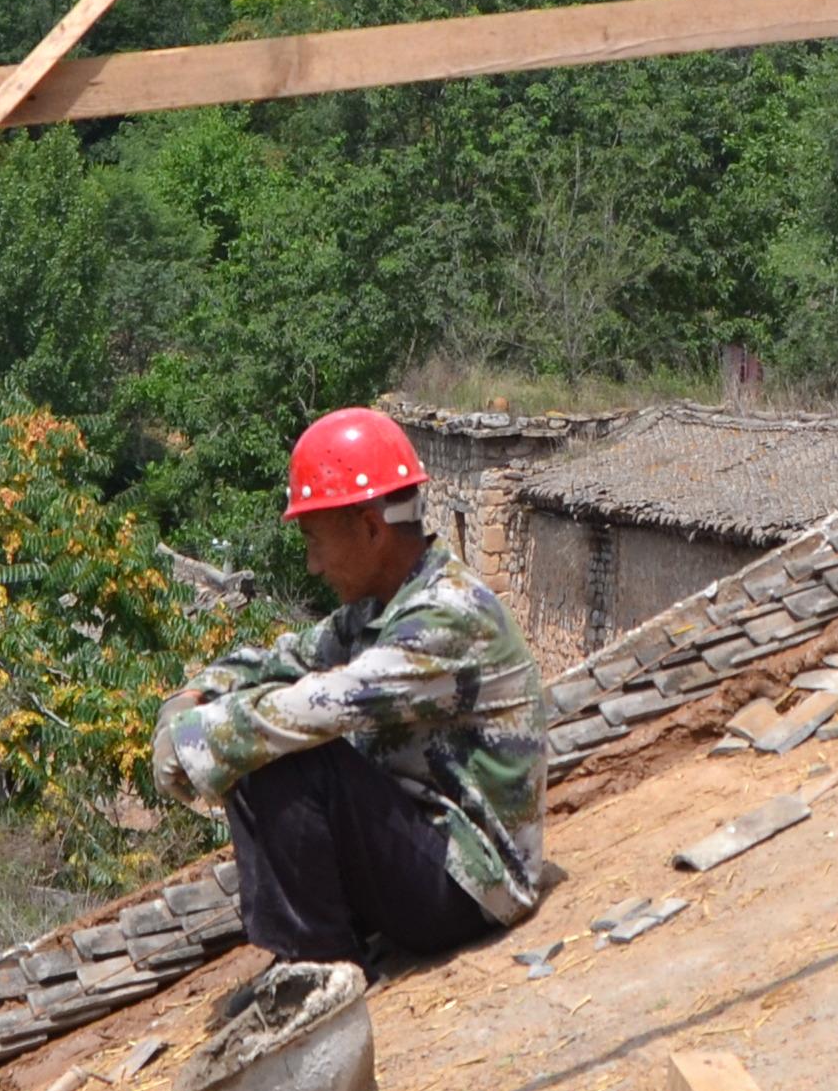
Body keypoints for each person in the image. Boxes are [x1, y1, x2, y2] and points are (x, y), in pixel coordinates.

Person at [150, 408, 548, 973]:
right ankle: (314, 948)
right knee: (252, 735)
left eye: (314, 540)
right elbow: (281, 661)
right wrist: (191, 698)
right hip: (426, 853)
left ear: (369, 527)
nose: (312, 565)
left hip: (474, 883)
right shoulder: (378, 611)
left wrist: (193, 738)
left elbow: (316, 706)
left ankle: (316, 967)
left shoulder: (447, 618)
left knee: (281, 757)